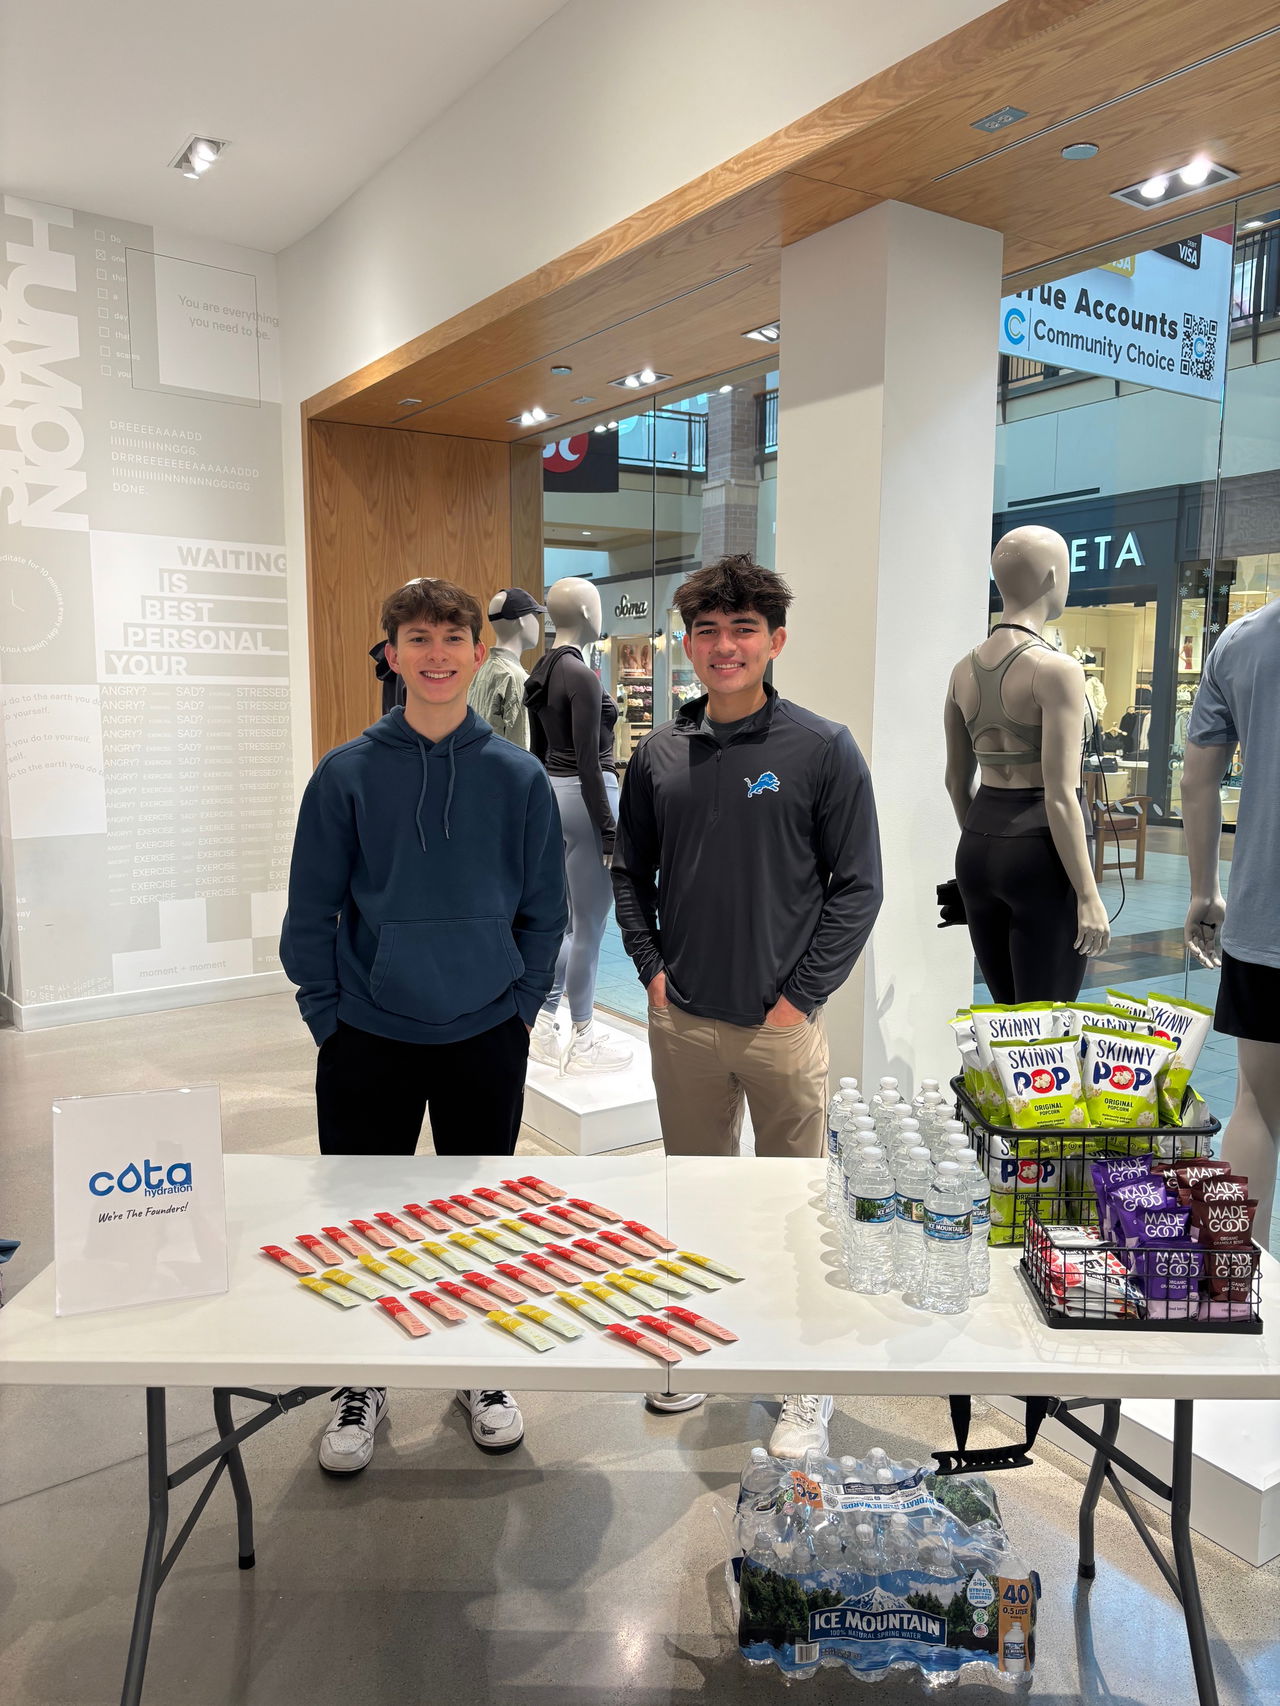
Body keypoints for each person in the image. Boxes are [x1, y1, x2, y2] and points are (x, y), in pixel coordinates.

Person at [281, 577, 567, 1470]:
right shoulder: (347, 774)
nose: (436, 653)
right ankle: (360, 1381)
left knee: (481, 1215)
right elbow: (309, 913)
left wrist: (519, 1009)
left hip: (486, 1031)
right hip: (368, 1034)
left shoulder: (518, 778)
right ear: (392, 654)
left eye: (453, 636)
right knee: (362, 1220)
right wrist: (329, 1017)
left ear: (479, 653)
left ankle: (478, 1362)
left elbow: (545, 913)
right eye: (417, 637)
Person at [611, 554, 883, 1457]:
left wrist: (798, 1001)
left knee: (796, 1203)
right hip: (683, 1021)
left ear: (774, 640)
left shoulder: (821, 748)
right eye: (707, 630)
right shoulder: (660, 753)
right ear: (684, 641)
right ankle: (692, 1345)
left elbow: (858, 889)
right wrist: (651, 969)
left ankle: (805, 1380)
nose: (724, 647)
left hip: (781, 1031)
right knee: (696, 1196)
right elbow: (629, 874)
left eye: (742, 630)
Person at [1181, 598, 1280, 1246]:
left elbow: (1196, 781)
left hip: (1264, 920)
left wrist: (1204, 891)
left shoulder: (1241, 643)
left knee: (1257, 1109)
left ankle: (1235, 1285)